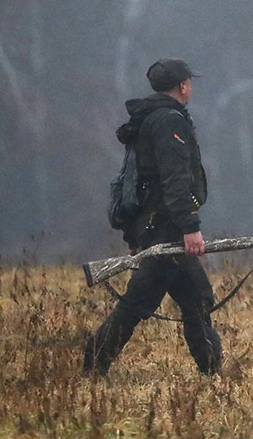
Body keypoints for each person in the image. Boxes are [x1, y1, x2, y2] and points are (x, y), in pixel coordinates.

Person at [83, 58, 222, 376]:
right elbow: (175, 181)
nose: (191, 88)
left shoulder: (147, 119)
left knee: (197, 298)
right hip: (167, 229)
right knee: (139, 303)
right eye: (189, 82)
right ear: (183, 86)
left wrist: (134, 234)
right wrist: (190, 228)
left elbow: (134, 182)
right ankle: (93, 365)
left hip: (153, 226)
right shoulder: (170, 122)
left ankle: (212, 371)